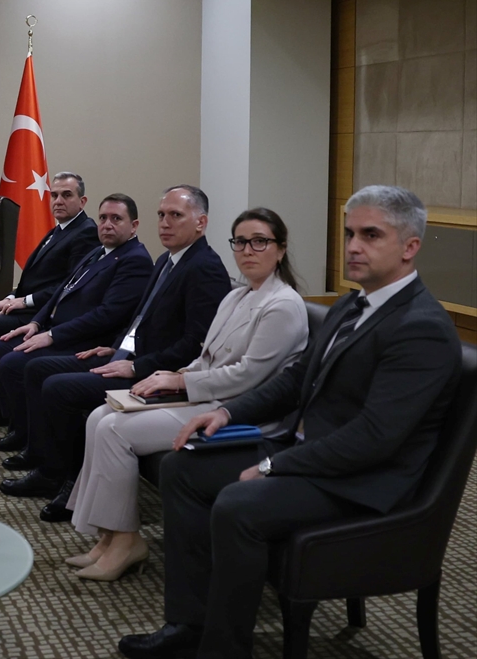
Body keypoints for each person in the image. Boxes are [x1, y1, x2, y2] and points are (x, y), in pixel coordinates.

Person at [119, 185, 463, 659]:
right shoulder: (352, 305)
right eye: (349, 234)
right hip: (310, 451)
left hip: (362, 481)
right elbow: (296, 380)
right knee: (182, 469)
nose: (353, 246)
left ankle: (223, 649)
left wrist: (273, 467)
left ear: (410, 247)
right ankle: (188, 623)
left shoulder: (421, 328)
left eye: (370, 235)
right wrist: (226, 411)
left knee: (238, 504)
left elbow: (375, 438)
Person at [64, 208, 308, 581]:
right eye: (241, 242)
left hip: (239, 411)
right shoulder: (237, 296)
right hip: (206, 395)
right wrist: (174, 375)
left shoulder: (284, 305)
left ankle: (127, 541)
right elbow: (206, 356)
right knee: (100, 416)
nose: (248, 250)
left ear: (281, 248)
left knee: (114, 431)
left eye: (260, 241)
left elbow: (249, 376)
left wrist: (180, 383)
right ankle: (108, 536)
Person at [0, 184, 232, 503]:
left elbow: (195, 345)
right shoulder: (168, 259)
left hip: (157, 374)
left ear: (200, 223)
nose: (165, 223)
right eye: (161, 215)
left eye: (176, 215)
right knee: (37, 369)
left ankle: (65, 480)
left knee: (58, 388)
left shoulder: (205, 267)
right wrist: (115, 347)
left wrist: (136, 365)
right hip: (126, 354)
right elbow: (140, 320)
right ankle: (48, 465)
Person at [0, 194, 152, 460]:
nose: (107, 224)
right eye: (103, 218)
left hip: (87, 340)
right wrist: (36, 322)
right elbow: (62, 290)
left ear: (134, 226)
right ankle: (21, 429)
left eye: (116, 219)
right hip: (59, 329)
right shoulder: (99, 251)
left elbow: (107, 315)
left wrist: (51, 335)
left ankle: (35, 445)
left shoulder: (135, 259)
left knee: (15, 363)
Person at [0, 172, 100, 428]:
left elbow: (69, 286)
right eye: (54, 195)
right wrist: (11, 297)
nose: (58, 201)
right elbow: (31, 277)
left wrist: (25, 301)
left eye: (67, 195)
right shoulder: (58, 230)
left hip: (47, 313)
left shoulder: (85, 232)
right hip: (29, 304)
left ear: (82, 201)